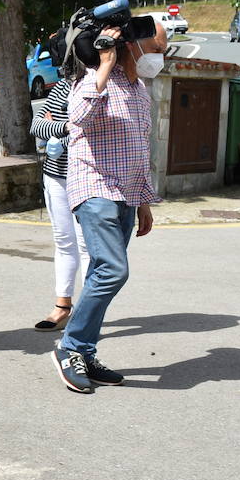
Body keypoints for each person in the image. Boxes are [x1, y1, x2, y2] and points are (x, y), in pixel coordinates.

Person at [52, 20, 167, 394]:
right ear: (130, 46)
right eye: (155, 48)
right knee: (114, 270)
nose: (158, 57)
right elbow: (77, 118)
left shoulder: (137, 88)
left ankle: (83, 351)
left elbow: (139, 149)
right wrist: (103, 65)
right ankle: (69, 347)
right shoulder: (92, 80)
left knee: (102, 274)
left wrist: (145, 201)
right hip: (95, 187)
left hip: (126, 194)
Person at [29, 74, 88, 331]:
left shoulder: (98, 84)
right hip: (56, 175)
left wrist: (61, 136)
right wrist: (64, 128)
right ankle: (62, 307)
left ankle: (88, 312)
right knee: (64, 241)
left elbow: (90, 128)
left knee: (87, 246)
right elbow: (36, 125)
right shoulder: (63, 84)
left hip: (87, 175)